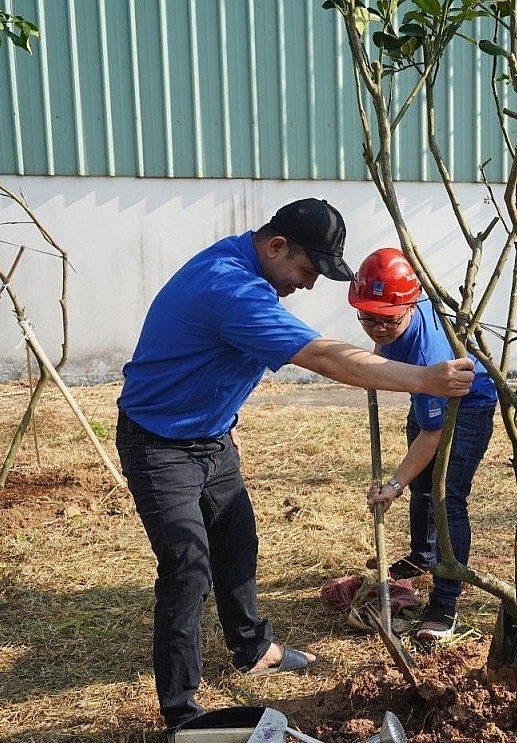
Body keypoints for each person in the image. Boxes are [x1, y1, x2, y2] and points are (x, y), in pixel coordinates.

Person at [114, 199, 475, 732]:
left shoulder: (246, 271)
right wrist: (423, 379)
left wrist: (223, 419)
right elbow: (322, 356)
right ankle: (182, 714)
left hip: (211, 438)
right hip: (159, 445)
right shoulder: (230, 288)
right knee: (188, 569)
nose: (308, 285)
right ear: (277, 246)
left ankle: (253, 648)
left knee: (238, 544)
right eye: (307, 270)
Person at [348, 247, 497, 642]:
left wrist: (392, 485)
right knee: (422, 487)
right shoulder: (401, 306)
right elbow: (384, 341)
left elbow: (432, 435)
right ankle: (422, 556)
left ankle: (445, 603)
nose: (378, 328)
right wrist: (375, 365)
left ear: (411, 307)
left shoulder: (429, 353)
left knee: (446, 497)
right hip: (426, 393)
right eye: (369, 318)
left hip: (468, 404)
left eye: (388, 320)